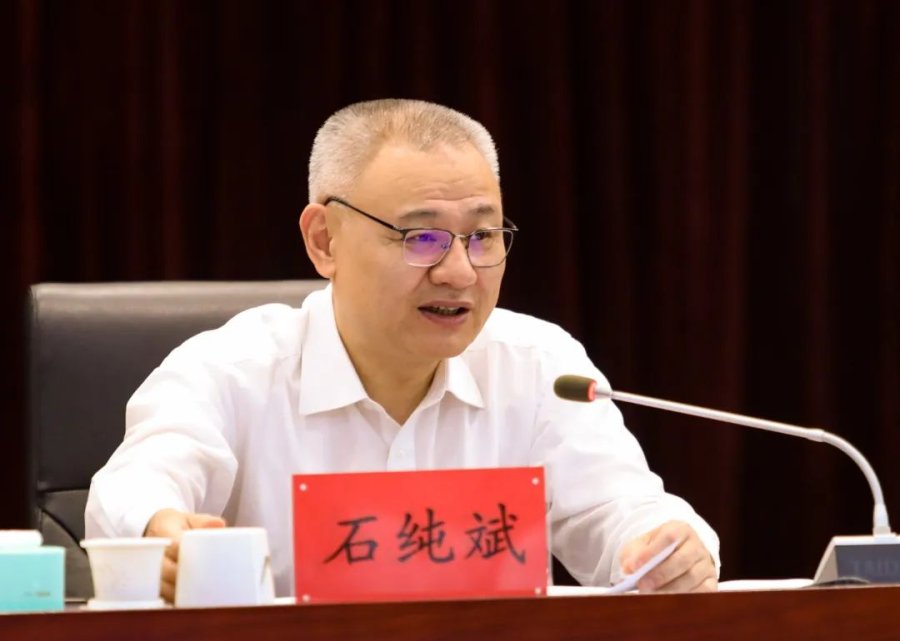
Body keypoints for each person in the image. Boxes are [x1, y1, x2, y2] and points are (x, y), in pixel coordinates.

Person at [85, 99, 720, 601]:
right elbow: (133, 491)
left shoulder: (538, 366)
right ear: (324, 240)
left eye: (482, 236)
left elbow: (622, 509)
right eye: (421, 238)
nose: (459, 272)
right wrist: (159, 531)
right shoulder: (230, 371)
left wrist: (666, 547)